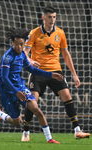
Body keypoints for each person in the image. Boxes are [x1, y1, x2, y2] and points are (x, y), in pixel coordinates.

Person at [22, 6, 90, 141]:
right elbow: (24, 52)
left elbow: (66, 54)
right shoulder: (34, 33)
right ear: (43, 18)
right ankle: (25, 132)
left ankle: (77, 130)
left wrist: (74, 74)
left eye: (54, 17)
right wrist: (30, 61)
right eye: (49, 17)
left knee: (67, 95)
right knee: (32, 100)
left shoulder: (60, 33)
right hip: (39, 72)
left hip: (55, 71)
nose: (52, 19)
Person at [0, 27, 63, 144]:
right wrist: (16, 92)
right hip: (7, 91)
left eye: (21, 44)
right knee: (17, 122)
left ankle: (49, 139)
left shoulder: (22, 55)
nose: (19, 47)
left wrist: (50, 74)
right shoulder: (7, 57)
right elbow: (4, 78)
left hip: (20, 87)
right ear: (12, 43)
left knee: (36, 110)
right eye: (16, 44)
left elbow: (31, 69)